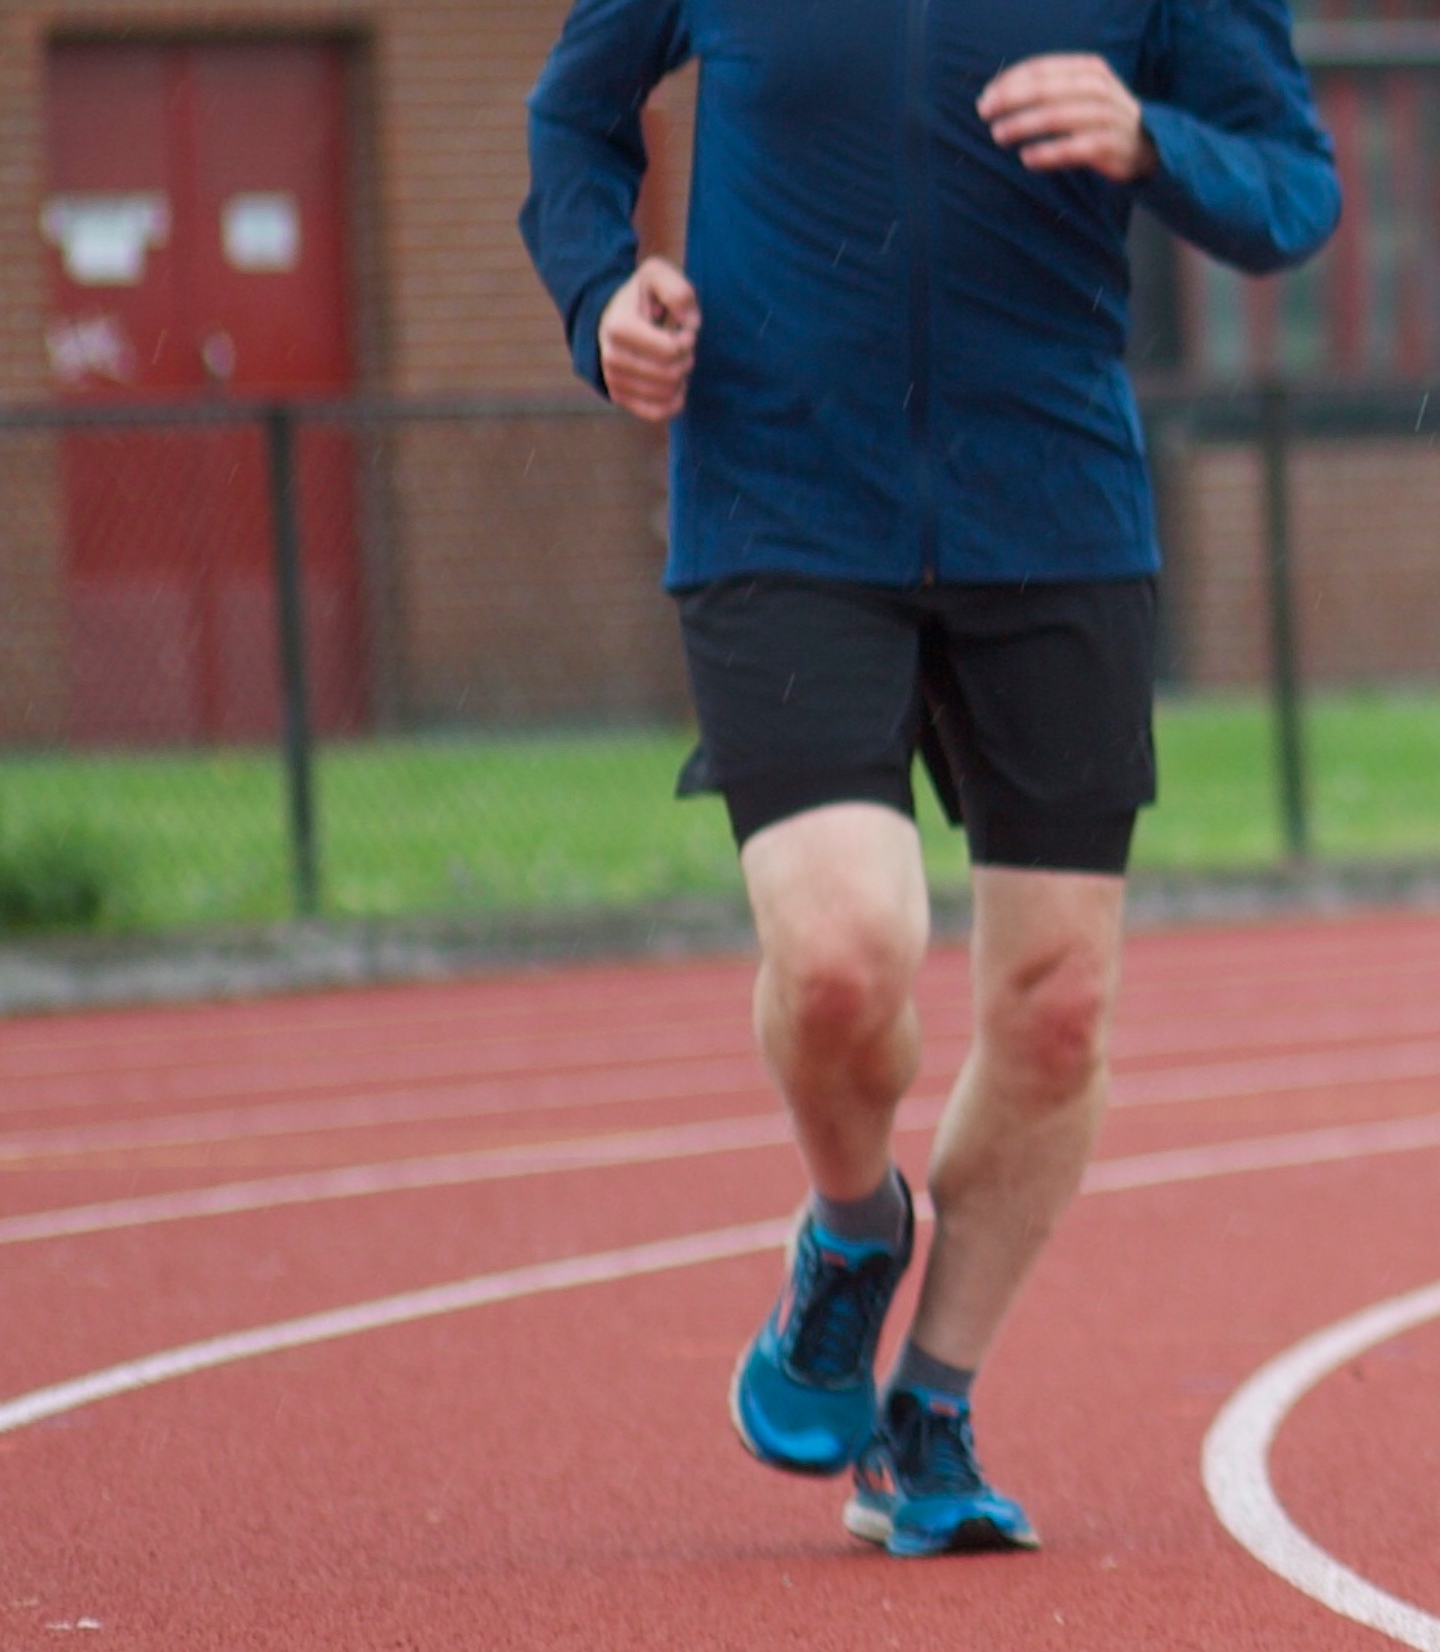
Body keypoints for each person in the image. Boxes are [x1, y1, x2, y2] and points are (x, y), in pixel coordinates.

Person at [529, 0, 1336, 1552]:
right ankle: (853, 1228)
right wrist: (599, 293)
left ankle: (933, 1406)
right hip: (781, 500)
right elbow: (575, 121)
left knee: (1057, 1008)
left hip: (1053, 512)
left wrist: (1152, 136)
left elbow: (1291, 188)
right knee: (842, 954)